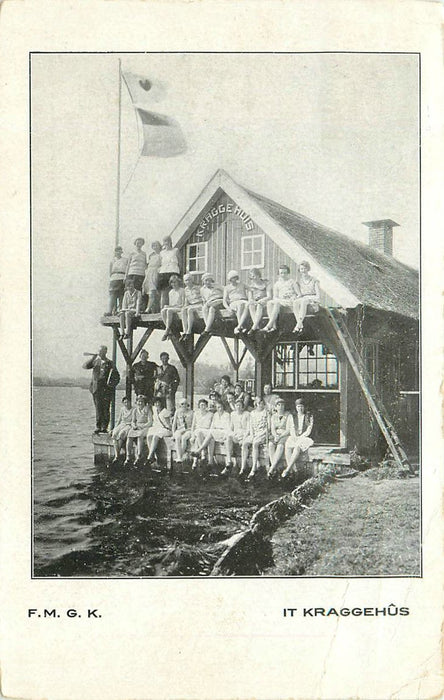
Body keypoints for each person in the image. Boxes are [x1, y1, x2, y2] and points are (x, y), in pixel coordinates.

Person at [83, 346, 120, 434]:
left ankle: (104, 427)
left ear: (105, 352)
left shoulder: (110, 363)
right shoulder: (95, 362)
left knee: (106, 409)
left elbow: (116, 376)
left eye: (102, 351)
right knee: (98, 408)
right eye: (99, 351)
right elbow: (85, 366)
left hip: (106, 390)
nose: (100, 353)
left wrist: (111, 385)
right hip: (96, 389)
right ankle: (98, 426)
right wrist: (93, 358)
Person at [282, 398, 314, 478]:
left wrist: (300, 436)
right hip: (295, 436)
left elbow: (309, 429)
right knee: (288, 445)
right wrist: (294, 436)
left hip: (305, 437)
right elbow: (291, 428)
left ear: (304, 407)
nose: (300, 408)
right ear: (296, 407)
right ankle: (294, 470)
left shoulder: (308, 416)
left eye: (302, 406)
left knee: (297, 446)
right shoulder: (292, 416)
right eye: (298, 406)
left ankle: (288, 469)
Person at [262, 264, 300, 333]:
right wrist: (280, 300)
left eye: (285, 273)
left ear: (288, 273)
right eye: (281, 273)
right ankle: (273, 325)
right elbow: (275, 297)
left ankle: (269, 325)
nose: (283, 275)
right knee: (270, 303)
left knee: (276, 303)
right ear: (279, 274)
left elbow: (299, 294)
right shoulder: (277, 284)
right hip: (281, 301)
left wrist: (295, 297)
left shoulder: (292, 282)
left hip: (290, 302)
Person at [197, 399, 231, 468]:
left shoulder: (227, 415)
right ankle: (210, 461)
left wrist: (223, 437)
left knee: (211, 433)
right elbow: (212, 426)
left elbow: (228, 428)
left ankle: (199, 450)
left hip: (223, 432)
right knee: (209, 437)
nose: (220, 409)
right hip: (215, 432)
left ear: (223, 407)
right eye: (218, 407)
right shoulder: (215, 415)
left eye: (221, 407)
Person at [240, 396, 268, 479]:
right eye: (259, 403)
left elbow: (268, 427)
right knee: (245, 443)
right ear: (256, 404)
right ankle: (243, 467)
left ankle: (254, 467)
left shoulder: (266, 412)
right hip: (254, 433)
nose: (260, 405)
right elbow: (250, 426)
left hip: (263, 434)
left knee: (255, 443)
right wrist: (252, 434)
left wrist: (259, 435)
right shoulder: (252, 413)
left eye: (262, 403)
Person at [223, 397, 250, 475]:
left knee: (244, 445)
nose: (238, 407)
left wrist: (243, 437)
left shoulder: (247, 414)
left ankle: (243, 467)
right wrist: (233, 434)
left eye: (240, 405)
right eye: (237, 405)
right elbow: (230, 428)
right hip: (236, 435)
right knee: (228, 438)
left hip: (245, 435)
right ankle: (229, 461)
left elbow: (248, 429)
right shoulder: (233, 414)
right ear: (234, 406)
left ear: (242, 406)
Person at [267, 397, 293, 477]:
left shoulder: (288, 415)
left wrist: (280, 436)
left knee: (280, 446)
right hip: (276, 434)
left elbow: (288, 429)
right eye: (278, 405)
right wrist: (275, 436)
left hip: (284, 434)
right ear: (275, 407)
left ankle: (272, 468)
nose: (281, 407)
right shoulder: (273, 416)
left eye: (282, 405)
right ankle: (274, 467)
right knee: (271, 445)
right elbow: (272, 428)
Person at [125, 395, 153, 466]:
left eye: (142, 402)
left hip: (145, 427)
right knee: (129, 435)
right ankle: (128, 456)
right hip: (137, 427)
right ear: (136, 402)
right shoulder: (135, 410)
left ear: (144, 403)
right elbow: (133, 421)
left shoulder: (148, 409)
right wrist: (134, 426)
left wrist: (142, 426)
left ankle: (139, 456)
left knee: (140, 436)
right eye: (138, 401)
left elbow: (150, 422)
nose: (140, 403)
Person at [293, 260, 321, 333]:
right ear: (299, 270)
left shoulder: (314, 280)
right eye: (301, 269)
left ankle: (298, 325)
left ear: (308, 269)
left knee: (303, 301)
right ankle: (300, 324)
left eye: (305, 268)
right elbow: (298, 293)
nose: (303, 270)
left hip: (312, 299)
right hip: (303, 298)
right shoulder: (298, 281)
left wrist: (307, 297)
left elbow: (318, 296)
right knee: (295, 302)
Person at [146, 397, 173, 464]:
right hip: (157, 428)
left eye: (158, 402)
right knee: (149, 436)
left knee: (156, 436)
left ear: (161, 403)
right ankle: (153, 456)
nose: (157, 404)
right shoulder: (154, 409)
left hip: (166, 429)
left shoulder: (165, 412)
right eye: (155, 403)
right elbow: (148, 406)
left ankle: (149, 457)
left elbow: (169, 425)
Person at [189, 398, 214, 470]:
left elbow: (211, 426)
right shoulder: (196, 414)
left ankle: (195, 461)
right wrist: (192, 436)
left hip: (207, 431)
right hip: (198, 431)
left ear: (206, 406)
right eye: (201, 405)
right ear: (199, 406)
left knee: (198, 437)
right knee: (198, 434)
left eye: (204, 405)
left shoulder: (210, 414)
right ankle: (202, 453)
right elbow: (193, 426)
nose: (203, 407)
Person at [223, 270, 249, 334]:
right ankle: (242, 326)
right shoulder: (227, 288)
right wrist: (228, 308)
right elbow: (224, 300)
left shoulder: (242, 284)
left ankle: (239, 326)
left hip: (243, 300)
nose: (234, 279)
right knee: (240, 305)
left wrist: (250, 297)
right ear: (230, 279)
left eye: (235, 277)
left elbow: (250, 289)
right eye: (232, 278)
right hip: (234, 302)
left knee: (246, 305)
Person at [246, 268, 272, 333]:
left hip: (265, 301)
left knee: (259, 305)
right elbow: (250, 298)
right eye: (251, 276)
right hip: (255, 302)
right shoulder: (251, 286)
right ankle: (256, 326)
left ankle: (254, 327)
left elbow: (269, 296)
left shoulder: (266, 283)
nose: (253, 278)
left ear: (258, 275)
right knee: (251, 305)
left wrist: (262, 300)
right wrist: (254, 301)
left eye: (254, 276)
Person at [160, 274, 185, 341]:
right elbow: (171, 304)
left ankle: (167, 330)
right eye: (172, 282)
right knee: (163, 310)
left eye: (175, 282)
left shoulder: (182, 291)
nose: (174, 284)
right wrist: (168, 306)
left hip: (180, 308)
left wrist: (171, 307)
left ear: (178, 282)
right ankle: (169, 329)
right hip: (174, 308)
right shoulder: (171, 292)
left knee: (169, 311)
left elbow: (183, 304)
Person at [158, 235, 180, 308]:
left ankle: (173, 307)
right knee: (164, 292)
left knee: (173, 290)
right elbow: (160, 263)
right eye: (164, 241)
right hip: (163, 272)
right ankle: (162, 309)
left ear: (170, 241)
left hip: (173, 271)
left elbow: (180, 262)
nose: (166, 243)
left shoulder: (175, 250)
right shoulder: (161, 253)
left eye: (167, 241)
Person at [180, 273, 203, 339]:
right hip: (192, 305)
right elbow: (186, 301)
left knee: (190, 310)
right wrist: (184, 306)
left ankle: (189, 331)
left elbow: (203, 297)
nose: (188, 282)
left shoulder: (198, 288)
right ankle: (185, 331)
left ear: (192, 280)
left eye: (189, 280)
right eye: (186, 280)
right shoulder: (186, 290)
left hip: (199, 304)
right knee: (183, 310)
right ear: (184, 282)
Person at [106, 245, 128, 315]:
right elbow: (110, 272)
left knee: (121, 295)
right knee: (113, 295)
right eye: (116, 251)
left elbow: (127, 269)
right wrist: (112, 278)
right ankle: (111, 311)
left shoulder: (125, 260)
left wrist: (125, 277)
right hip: (114, 278)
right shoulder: (112, 261)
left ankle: (121, 310)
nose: (118, 253)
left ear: (121, 252)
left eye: (119, 251)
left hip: (122, 277)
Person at [171, 398, 194, 464]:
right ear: (180, 405)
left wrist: (189, 431)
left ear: (187, 404)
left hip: (188, 430)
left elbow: (193, 424)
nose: (184, 405)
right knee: (177, 437)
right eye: (182, 404)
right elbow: (174, 424)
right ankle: (179, 457)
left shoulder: (191, 412)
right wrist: (173, 434)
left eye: (185, 404)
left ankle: (179, 457)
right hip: (180, 429)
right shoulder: (177, 412)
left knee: (184, 438)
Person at [111, 396, 133, 462]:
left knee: (121, 434)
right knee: (114, 434)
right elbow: (119, 420)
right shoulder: (122, 409)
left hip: (129, 424)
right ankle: (117, 455)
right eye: (125, 402)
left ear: (130, 402)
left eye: (128, 402)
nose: (126, 404)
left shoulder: (133, 409)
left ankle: (117, 455)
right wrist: (114, 428)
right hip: (122, 424)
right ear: (123, 403)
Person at [143, 240, 162, 313]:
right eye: (153, 246)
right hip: (149, 272)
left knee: (154, 291)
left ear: (159, 246)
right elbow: (148, 265)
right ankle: (150, 309)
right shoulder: (151, 255)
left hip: (157, 272)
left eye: (156, 245)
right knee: (149, 291)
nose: (155, 247)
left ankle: (149, 308)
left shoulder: (161, 254)